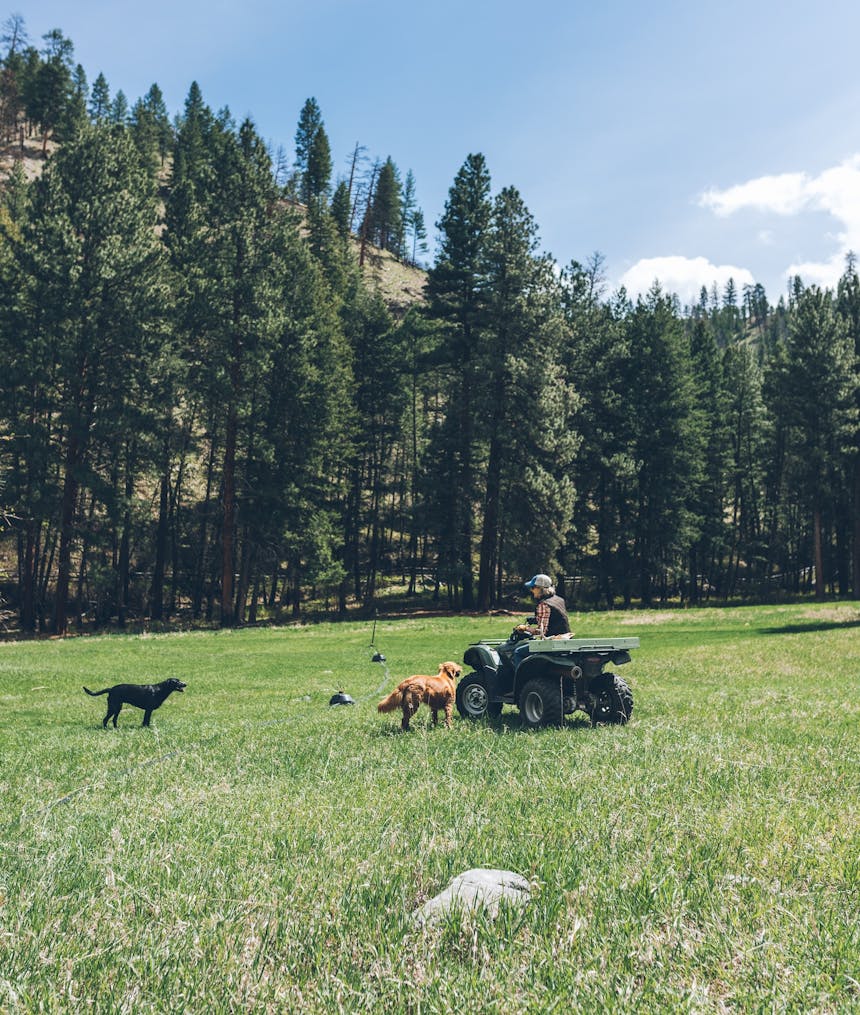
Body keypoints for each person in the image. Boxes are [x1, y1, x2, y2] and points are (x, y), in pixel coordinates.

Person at [518, 573, 570, 638]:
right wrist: (536, 619)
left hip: (553, 643)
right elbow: (554, 620)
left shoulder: (544, 605)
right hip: (565, 639)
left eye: (533, 587)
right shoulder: (559, 600)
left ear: (540, 588)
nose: (531, 590)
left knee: (519, 649)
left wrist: (525, 628)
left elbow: (541, 632)